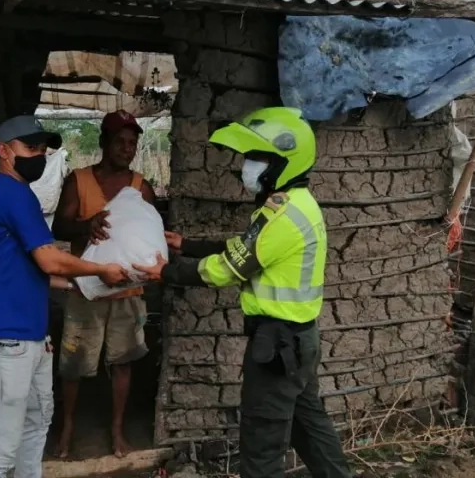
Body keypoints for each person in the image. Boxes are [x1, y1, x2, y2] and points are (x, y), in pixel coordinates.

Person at [134, 107, 352, 478]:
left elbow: (229, 268)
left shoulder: (283, 216)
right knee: (309, 426)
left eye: (258, 157)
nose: (248, 166)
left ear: (284, 162)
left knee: (262, 445)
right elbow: (247, 247)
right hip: (299, 340)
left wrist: (167, 272)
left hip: (278, 346)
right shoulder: (295, 205)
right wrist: (189, 244)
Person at [0, 114, 130, 478]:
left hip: (28, 337)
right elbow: (50, 259)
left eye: (42, 149)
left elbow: (26, 268)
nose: (38, 155)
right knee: (1, 448)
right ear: (4, 151)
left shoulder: (13, 194)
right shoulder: (10, 194)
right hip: (4, 336)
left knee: (36, 425)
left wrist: (77, 285)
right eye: (29, 148)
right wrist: (101, 270)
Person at [51, 109, 157, 458]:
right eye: (120, 142)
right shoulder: (79, 181)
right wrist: (87, 225)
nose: (127, 149)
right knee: (74, 364)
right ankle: (67, 428)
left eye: (132, 143)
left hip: (127, 291)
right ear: (103, 142)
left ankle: (116, 430)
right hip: (87, 290)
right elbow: (59, 228)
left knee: (123, 362)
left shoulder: (141, 187)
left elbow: (154, 232)